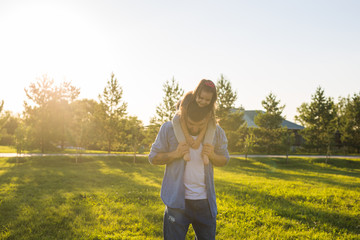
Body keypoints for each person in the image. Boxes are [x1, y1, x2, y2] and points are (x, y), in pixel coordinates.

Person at [148, 90, 230, 240]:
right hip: (177, 203)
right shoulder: (168, 129)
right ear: (183, 117)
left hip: (205, 204)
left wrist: (212, 156)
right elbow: (153, 158)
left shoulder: (216, 132)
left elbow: (224, 159)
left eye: (200, 125)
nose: (194, 129)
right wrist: (175, 154)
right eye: (191, 124)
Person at [172, 79, 217, 165]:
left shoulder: (210, 107)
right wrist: (188, 137)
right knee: (175, 119)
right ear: (196, 93)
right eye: (200, 98)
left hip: (201, 122)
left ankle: (205, 153)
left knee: (213, 123)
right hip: (183, 117)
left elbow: (205, 125)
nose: (203, 102)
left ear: (212, 100)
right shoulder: (188, 98)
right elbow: (182, 118)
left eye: (207, 100)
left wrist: (198, 140)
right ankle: (185, 151)